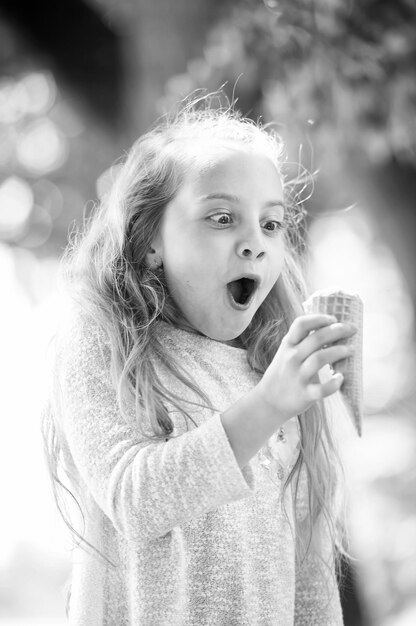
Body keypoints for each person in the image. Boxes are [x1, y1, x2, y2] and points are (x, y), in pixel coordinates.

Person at [42, 94, 357, 625]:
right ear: (149, 242)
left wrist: (275, 400)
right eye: (220, 217)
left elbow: (310, 581)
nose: (254, 242)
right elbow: (134, 499)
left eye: (271, 224)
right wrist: (268, 406)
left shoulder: (270, 368)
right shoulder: (103, 340)